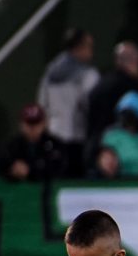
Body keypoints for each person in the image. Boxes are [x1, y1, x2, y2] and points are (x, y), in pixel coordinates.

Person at [38, 28, 99, 173]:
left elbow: (42, 104)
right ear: (79, 48)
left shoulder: (50, 72)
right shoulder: (88, 75)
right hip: (77, 138)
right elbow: (90, 105)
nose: (91, 52)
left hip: (54, 135)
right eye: (89, 47)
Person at [86, 42, 138, 155]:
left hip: (95, 148)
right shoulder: (134, 87)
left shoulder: (101, 83)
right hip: (120, 151)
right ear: (137, 61)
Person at [95, 92, 138, 179]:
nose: (129, 124)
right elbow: (105, 164)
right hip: (122, 185)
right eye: (125, 117)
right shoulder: (112, 137)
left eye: (133, 117)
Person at [0, 103, 64, 181]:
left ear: (44, 124)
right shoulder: (12, 145)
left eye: (36, 123)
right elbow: (1, 167)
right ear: (21, 124)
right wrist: (12, 170)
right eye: (28, 123)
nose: (32, 128)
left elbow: (58, 170)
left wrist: (30, 170)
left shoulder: (55, 145)